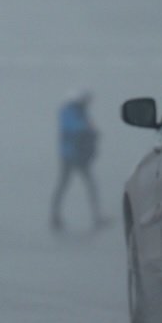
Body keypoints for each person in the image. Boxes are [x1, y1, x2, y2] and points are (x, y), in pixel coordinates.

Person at [50, 89, 106, 233]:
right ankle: (55, 215)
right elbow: (73, 128)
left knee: (85, 185)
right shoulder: (69, 111)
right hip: (70, 156)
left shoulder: (80, 112)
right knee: (66, 185)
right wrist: (90, 130)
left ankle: (96, 216)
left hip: (79, 155)